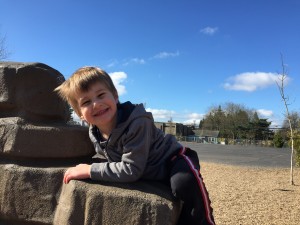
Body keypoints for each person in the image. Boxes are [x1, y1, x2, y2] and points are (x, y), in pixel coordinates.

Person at [55, 66, 215, 225]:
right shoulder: (94, 132)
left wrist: (89, 170)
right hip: (148, 169)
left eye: (101, 95)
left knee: (184, 182)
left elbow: (130, 170)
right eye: (87, 102)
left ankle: (206, 221)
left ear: (115, 96)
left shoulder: (137, 122)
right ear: (80, 115)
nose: (96, 104)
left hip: (173, 159)